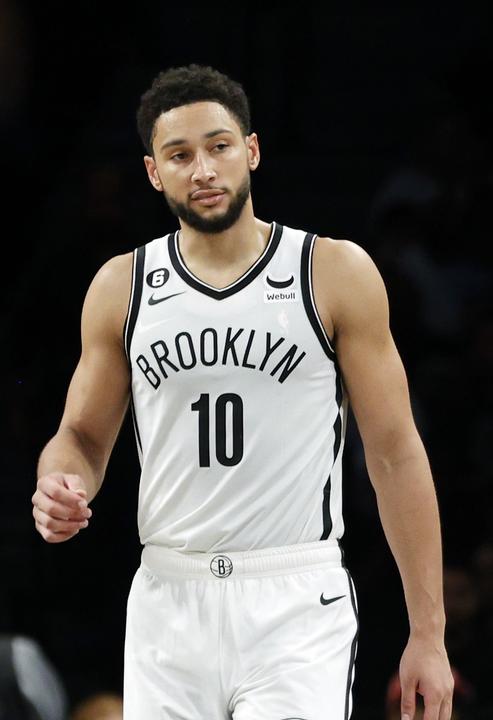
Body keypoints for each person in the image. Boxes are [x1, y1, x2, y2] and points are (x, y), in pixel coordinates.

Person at [29, 65, 453, 720]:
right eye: (180, 154)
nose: (203, 169)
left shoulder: (332, 273)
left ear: (250, 151)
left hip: (293, 596)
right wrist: (60, 481)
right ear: (153, 172)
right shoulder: (123, 286)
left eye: (219, 146)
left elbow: (396, 452)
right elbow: (81, 438)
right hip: (168, 600)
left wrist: (428, 634)